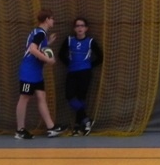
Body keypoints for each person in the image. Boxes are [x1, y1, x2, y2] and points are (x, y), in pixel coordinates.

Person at [15, 9, 65, 139]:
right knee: (24, 98)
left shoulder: (39, 33)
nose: (53, 21)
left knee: (41, 97)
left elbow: (38, 47)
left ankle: (51, 127)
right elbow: (32, 49)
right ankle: (20, 130)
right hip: (28, 72)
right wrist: (48, 60)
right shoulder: (40, 33)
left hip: (36, 72)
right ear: (47, 19)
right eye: (52, 18)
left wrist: (48, 43)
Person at [58, 16, 104, 136]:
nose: (80, 28)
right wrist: (69, 64)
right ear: (74, 28)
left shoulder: (90, 41)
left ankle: (78, 126)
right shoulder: (69, 40)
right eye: (77, 26)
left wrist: (89, 66)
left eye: (82, 26)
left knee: (81, 98)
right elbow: (61, 54)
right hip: (72, 72)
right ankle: (86, 119)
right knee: (69, 95)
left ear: (86, 28)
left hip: (85, 73)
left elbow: (100, 57)